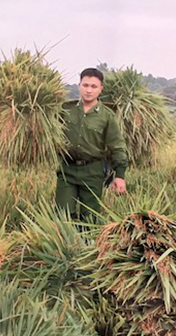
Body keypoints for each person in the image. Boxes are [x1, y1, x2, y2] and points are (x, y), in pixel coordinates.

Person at [55, 68, 128, 221]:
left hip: (93, 172)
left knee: (90, 218)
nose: (89, 90)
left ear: (101, 89)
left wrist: (120, 175)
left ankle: (87, 244)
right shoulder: (65, 110)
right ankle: (64, 244)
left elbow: (117, 146)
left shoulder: (107, 116)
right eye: (85, 85)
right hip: (67, 169)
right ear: (79, 85)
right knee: (62, 214)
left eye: (93, 87)